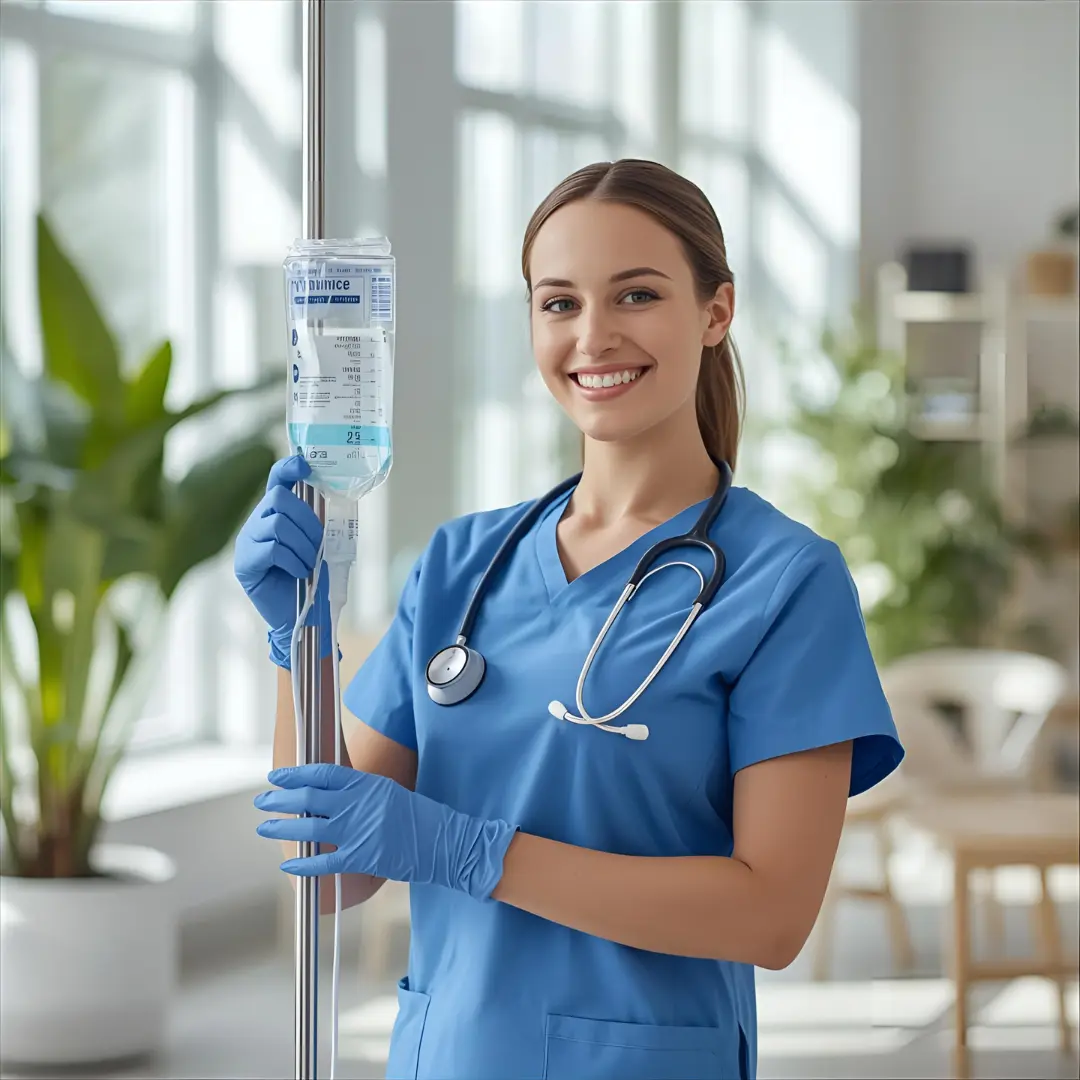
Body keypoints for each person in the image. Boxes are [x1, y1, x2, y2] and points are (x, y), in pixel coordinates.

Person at [235, 159, 904, 1080]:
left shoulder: (783, 582)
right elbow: (330, 868)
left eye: (635, 294)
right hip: (449, 1058)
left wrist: (467, 850)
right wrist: (301, 643)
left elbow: (771, 917)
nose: (594, 336)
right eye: (558, 303)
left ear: (716, 312)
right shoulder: (462, 566)